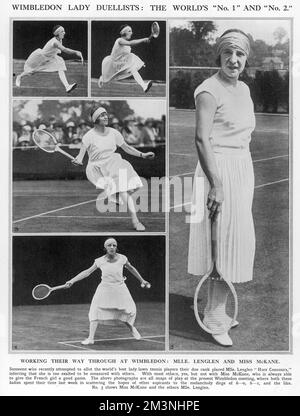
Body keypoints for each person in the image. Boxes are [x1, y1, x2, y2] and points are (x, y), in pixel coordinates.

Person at [188, 29, 256, 347]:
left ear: (246, 58)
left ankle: (220, 308)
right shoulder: (208, 90)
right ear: (219, 55)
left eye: (240, 54)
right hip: (218, 172)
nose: (234, 59)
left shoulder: (244, 89)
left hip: (242, 172)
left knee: (233, 242)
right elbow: (202, 139)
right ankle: (214, 319)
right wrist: (217, 183)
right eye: (228, 53)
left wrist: (239, 179)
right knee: (218, 246)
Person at [72, 105, 155, 231]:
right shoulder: (88, 136)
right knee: (123, 190)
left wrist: (142, 155)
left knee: (132, 187)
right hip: (97, 169)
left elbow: (126, 148)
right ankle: (136, 222)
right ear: (95, 119)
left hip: (114, 163)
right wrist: (78, 160)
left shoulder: (114, 132)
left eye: (106, 114)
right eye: (102, 115)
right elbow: (80, 155)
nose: (106, 117)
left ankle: (114, 195)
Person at [65, 238, 150, 345]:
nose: (112, 247)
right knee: (94, 310)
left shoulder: (123, 258)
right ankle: (91, 338)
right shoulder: (99, 261)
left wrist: (142, 280)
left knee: (128, 310)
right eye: (109, 245)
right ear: (105, 248)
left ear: (116, 247)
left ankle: (132, 329)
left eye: (114, 245)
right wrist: (72, 280)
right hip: (104, 289)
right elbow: (87, 272)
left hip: (120, 288)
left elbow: (132, 269)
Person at [15, 25, 83, 93]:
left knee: (60, 65)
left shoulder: (59, 39)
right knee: (31, 71)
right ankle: (19, 77)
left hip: (51, 58)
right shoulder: (55, 42)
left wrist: (55, 52)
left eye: (64, 31)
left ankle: (67, 86)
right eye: (62, 31)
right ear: (57, 33)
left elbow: (57, 49)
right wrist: (76, 52)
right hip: (40, 58)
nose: (64, 33)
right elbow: (65, 49)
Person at [98, 24, 153, 93]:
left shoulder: (127, 46)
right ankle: (102, 78)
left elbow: (127, 55)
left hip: (121, 64)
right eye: (129, 31)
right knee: (107, 79)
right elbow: (130, 43)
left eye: (131, 31)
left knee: (133, 69)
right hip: (111, 64)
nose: (131, 33)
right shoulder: (119, 40)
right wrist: (143, 39)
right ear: (124, 32)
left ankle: (144, 86)